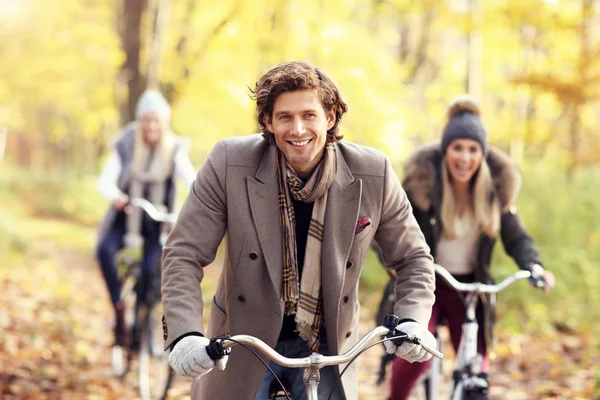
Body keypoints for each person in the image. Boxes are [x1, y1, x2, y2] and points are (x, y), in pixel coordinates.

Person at [161, 61, 437, 400]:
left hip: (330, 349)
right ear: (267, 121)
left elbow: (413, 258)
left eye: (309, 115)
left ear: (330, 117)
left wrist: (413, 320)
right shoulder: (229, 163)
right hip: (244, 343)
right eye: (284, 117)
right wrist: (185, 334)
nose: (297, 129)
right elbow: (183, 253)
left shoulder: (373, 172)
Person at [388, 94, 556, 400]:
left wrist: (533, 266)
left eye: (473, 150)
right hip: (427, 281)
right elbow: (391, 227)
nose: (464, 158)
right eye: (457, 148)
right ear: (445, 151)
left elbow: (517, 238)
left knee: (476, 362)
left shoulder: (494, 194)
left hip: (470, 287)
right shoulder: (423, 190)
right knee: (415, 350)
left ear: (482, 155)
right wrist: (393, 261)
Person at [96, 89, 196, 346]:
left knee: (153, 271)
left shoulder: (175, 148)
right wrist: (116, 196)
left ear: (164, 123)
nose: (151, 126)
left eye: (156, 121)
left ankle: (141, 323)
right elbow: (105, 181)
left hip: (157, 223)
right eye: (146, 120)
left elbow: (193, 181)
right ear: (140, 122)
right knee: (104, 250)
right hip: (126, 215)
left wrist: (192, 207)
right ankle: (119, 308)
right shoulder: (126, 143)